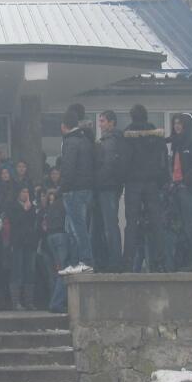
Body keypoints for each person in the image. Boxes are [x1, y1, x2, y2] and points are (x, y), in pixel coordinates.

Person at [166, 113, 192, 271]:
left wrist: (185, 181)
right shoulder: (177, 144)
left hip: (189, 190)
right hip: (177, 188)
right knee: (181, 226)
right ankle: (185, 260)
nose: (177, 126)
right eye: (175, 123)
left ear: (186, 125)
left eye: (180, 123)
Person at [57, 105, 95, 275]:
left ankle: (85, 260)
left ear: (64, 125)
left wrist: (62, 188)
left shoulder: (69, 141)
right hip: (86, 188)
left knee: (77, 228)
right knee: (78, 227)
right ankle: (78, 261)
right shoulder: (85, 140)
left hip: (73, 190)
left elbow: (68, 167)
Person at [94, 110, 127, 272]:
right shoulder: (114, 139)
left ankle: (114, 261)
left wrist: (97, 180)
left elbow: (108, 165)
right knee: (110, 224)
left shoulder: (110, 140)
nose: (100, 124)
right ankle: (112, 260)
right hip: (113, 186)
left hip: (107, 186)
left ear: (112, 122)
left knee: (110, 226)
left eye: (103, 121)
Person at [8, 186, 38, 310]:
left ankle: (29, 302)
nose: (25, 194)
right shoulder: (13, 206)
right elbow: (14, 222)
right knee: (17, 272)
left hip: (29, 243)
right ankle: (16, 302)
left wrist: (29, 209)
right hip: (17, 243)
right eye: (22, 192)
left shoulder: (33, 207)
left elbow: (34, 223)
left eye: (27, 191)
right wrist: (24, 210)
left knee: (29, 271)